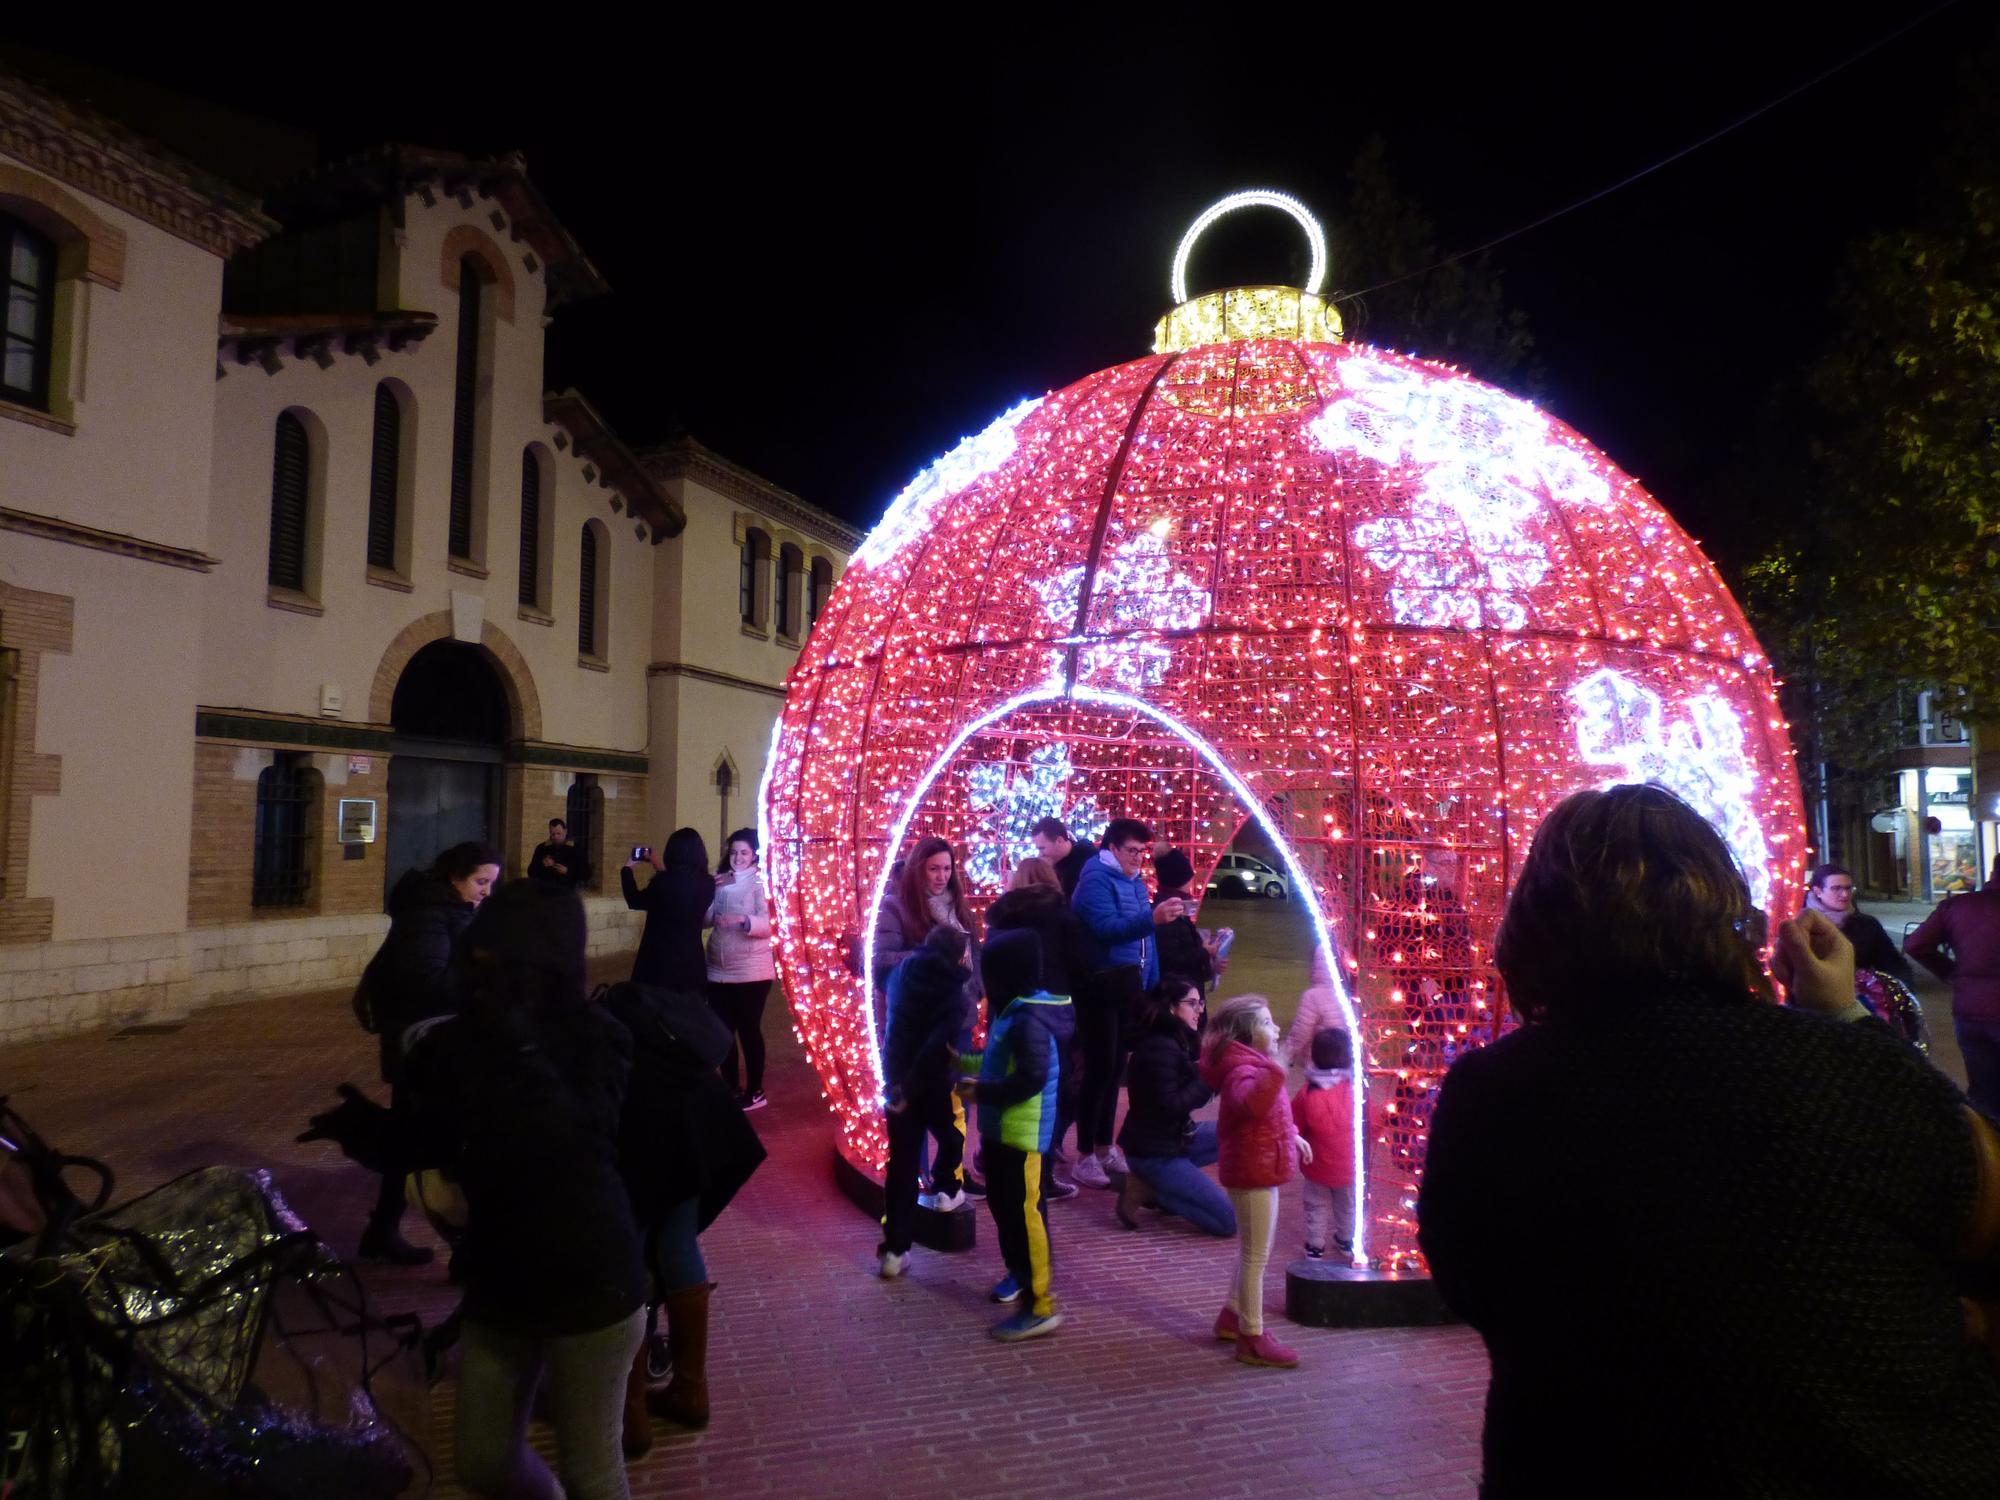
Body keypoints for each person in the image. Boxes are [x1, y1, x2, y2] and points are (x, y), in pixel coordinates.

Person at [1418, 783, 2000, 1496]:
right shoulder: (1847, 1070)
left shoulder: (1490, 1093)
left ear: (1536, 923)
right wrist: (1846, 1015)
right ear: (1724, 912)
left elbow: (1470, 1283)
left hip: (1575, 1465)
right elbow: (1975, 1188)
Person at [417, 879, 649, 1500]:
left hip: (591, 1284)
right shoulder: (466, 1039)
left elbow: (577, 1146)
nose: (489, 978)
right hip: (501, 1278)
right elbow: (449, 1147)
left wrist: (525, 1054)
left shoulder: (597, 1039)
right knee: (483, 1461)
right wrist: (386, 1140)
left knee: (591, 1470)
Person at [598, 975, 765, 1449]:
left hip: (642, 1144)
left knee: (633, 1258)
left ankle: (631, 1417)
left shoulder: (603, 1034)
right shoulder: (669, 1030)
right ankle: (690, 1389)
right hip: (689, 1139)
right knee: (677, 1243)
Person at [354, 839, 501, 1265]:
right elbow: (426, 982)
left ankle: (384, 1232)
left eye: (491, 883)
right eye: (479, 881)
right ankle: (460, 1247)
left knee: (412, 1142)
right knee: (435, 1144)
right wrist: (484, 981)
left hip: (432, 1047)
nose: (485, 891)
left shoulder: (449, 911)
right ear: (454, 877)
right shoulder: (426, 917)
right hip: (422, 1047)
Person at [957, 929, 1074, 1341]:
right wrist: (962, 1061)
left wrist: (980, 1091)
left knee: (1026, 1215)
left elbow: (1030, 1078)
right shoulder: (1013, 1011)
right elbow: (995, 1061)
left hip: (1024, 1138)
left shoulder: (1029, 1019)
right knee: (1004, 1207)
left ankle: (1040, 1305)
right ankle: (1020, 1274)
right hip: (1001, 1131)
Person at [1071, 818, 1185, 1189]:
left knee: (1115, 1067)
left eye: (1142, 852)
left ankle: (1105, 1147)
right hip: (1100, 987)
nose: (1139, 859)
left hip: (1128, 986)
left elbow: (1142, 940)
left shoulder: (1133, 880)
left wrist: (1150, 978)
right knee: (1099, 1070)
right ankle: (1085, 1152)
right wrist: (1151, 918)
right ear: (1112, 849)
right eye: (1133, 851)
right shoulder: (1095, 880)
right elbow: (1108, 929)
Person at [1199, 993, 1309, 1368]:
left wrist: (1291, 1133)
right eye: (1265, 1023)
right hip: (1252, 1171)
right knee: (1256, 1256)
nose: (1275, 1027)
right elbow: (1251, 1104)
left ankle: (1233, 1314)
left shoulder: (1252, 1064)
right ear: (1244, 1036)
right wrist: (1277, 1070)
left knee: (1252, 1250)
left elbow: (1269, 1114)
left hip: (1260, 1163)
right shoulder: (1244, 1071)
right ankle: (1252, 1335)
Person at [986, 856, 1090, 1198]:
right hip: (1051, 1015)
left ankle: (995, 1158)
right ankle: (1041, 1176)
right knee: (1048, 1096)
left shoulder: (1001, 916)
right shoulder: (1062, 917)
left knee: (1007, 1087)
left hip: (1007, 1013)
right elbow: (1079, 964)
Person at [878, 926, 975, 1278]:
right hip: (927, 1084)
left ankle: (895, 1248)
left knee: (901, 1165)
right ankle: (946, 1187)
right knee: (950, 1136)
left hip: (898, 1078)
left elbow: (896, 1029)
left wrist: (897, 1087)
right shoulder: (953, 994)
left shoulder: (902, 973)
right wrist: (911, 1090)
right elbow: (935, 1048)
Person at [1116, 975, 1233, 1237]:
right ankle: (1150, 1188)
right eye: (1191, 1003)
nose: (1200, 1009)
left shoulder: (1174, 1040)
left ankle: (1169, 1186)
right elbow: (1172, 1104)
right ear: (1171, 1007)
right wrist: (1209, 1078)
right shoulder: (1161, 1047)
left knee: (1234, 1131)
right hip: (1154, 1152)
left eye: (1200, 1003)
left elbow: (1187, 1085)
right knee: (1227, 1222)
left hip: (1174, 1138)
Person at [1907, 869, 2000, 1119]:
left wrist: (1951, 972)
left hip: (1971, 1010)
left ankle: (1987, 1149)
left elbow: (1915, 944)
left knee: (1982, 1090)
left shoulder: (1957, 906)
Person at [706, 828, 775, 1110]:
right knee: (722, 1031)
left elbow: (770, 923)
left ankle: (755, 1090)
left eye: (744, 852)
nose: (738, 858)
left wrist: (742, 920)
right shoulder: (721, 880)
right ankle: (731, 1085)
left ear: (754, 854)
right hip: (717, 967)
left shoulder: (761, 883)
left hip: (751, 970)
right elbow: (707, 919)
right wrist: (708, 893)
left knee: (748, 1030)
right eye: (734, 852)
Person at [1292, 1027, 1355, 1262]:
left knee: (1315, 1205)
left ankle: (1315, 1244)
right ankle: (1346, 1238)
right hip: (1349, 1165)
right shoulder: (1354, 1089)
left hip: (1316, 1162)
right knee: (1347, 1205)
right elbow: (1371, 1120)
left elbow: (1293, 1123)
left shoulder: (1307, 1093)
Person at [622, 828, 711, 993]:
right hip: (692, 958)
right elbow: (681, 887)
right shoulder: (708, 883)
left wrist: (627, 869)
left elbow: (635, 900)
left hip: (660, 959)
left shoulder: (662, 883)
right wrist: (657, 865)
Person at [1804, 862, 1910, 978]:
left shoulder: (1867, 925)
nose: (1844, 894)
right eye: (1836, 888)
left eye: (1848, 888)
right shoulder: (1804, 925)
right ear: (1818, 891)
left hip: (1859, 993)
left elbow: (1893, 964)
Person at [1152, 849, 1221, 994]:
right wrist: (1204, 952)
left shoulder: (1178, 908)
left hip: (1186, 992)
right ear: (1181, 880)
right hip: (1179, 996)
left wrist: (1211, 963)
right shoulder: (1169, 912)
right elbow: (1170, 960)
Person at [1283, 946, 1344, 1067]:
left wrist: (1287, 1055)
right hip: (1344, 1059)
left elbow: (1301, 1031)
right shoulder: (1348, 994)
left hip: (1319, 1061)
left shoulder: (1313, 996)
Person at [1030, 816, 1096, 899]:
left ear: (1059, 841)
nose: (1040, 854)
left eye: (1042, 848)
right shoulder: (1054, 863)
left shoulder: (1089, 862)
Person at [529, 817, 584, 887]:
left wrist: (568, 871)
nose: (555, 837)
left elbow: (585, 873)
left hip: (568, 892)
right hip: (547, 891)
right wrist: (542, 864)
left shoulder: (576, 848)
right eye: (553, 834)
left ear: (565, 831)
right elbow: (531, 872)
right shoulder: (542, 848)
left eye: (558, 833)